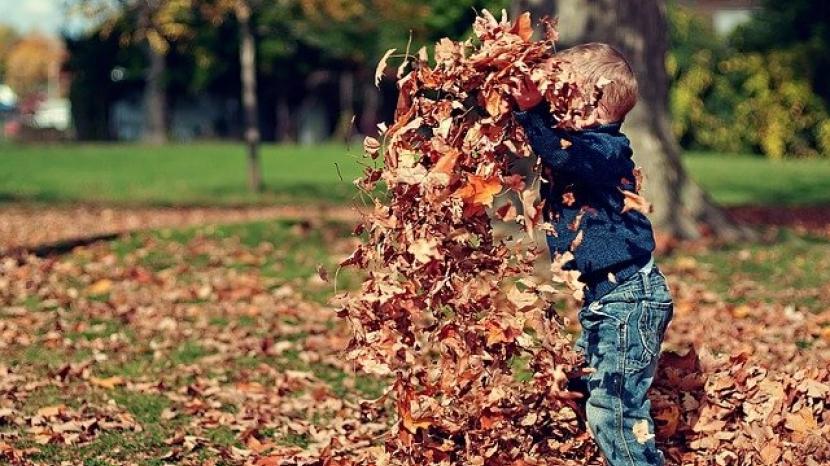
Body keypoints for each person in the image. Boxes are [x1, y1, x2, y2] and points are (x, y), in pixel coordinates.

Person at [512, 42, 674, 466]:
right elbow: (554, 147)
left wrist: (532, 111)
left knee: (615, 413)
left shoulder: (605, 150)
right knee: (582, 385)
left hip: (629, 302)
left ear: (589, 106)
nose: (551, 104)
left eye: (560, 95)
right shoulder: (582, 147)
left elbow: (561, 154)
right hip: (607, 303)